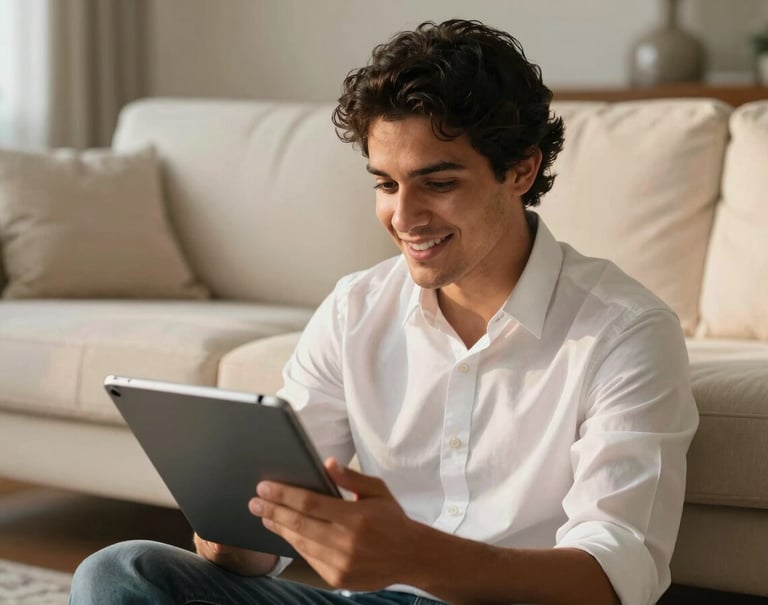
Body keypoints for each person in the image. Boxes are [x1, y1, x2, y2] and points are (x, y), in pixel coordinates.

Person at [70, 18, 698, 605]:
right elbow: (270, 543)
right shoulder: (355, 310)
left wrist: (421, 556)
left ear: (521, 169)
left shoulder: (623, 331)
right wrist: (234, 531)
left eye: (439, 182)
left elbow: (617, 579)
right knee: (121, 573)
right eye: (386, 183)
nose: (404, 216)